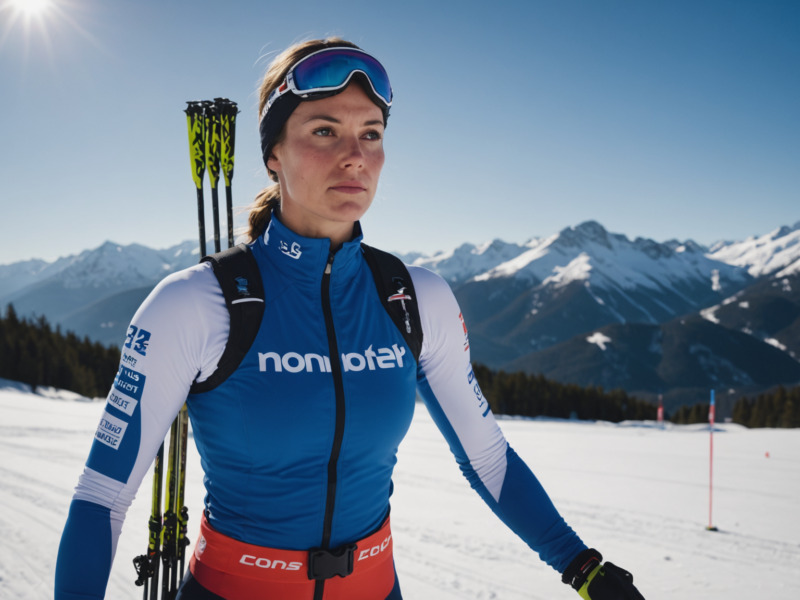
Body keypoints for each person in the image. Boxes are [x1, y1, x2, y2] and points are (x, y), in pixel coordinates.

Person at [54, 38, 645, 600]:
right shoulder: (197, 303)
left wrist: (581, 565)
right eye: (324, 131)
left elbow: (487, 457)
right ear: (273, 154)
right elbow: (103, 496)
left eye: (371, 133)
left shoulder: (413, 299)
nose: (355, 156)